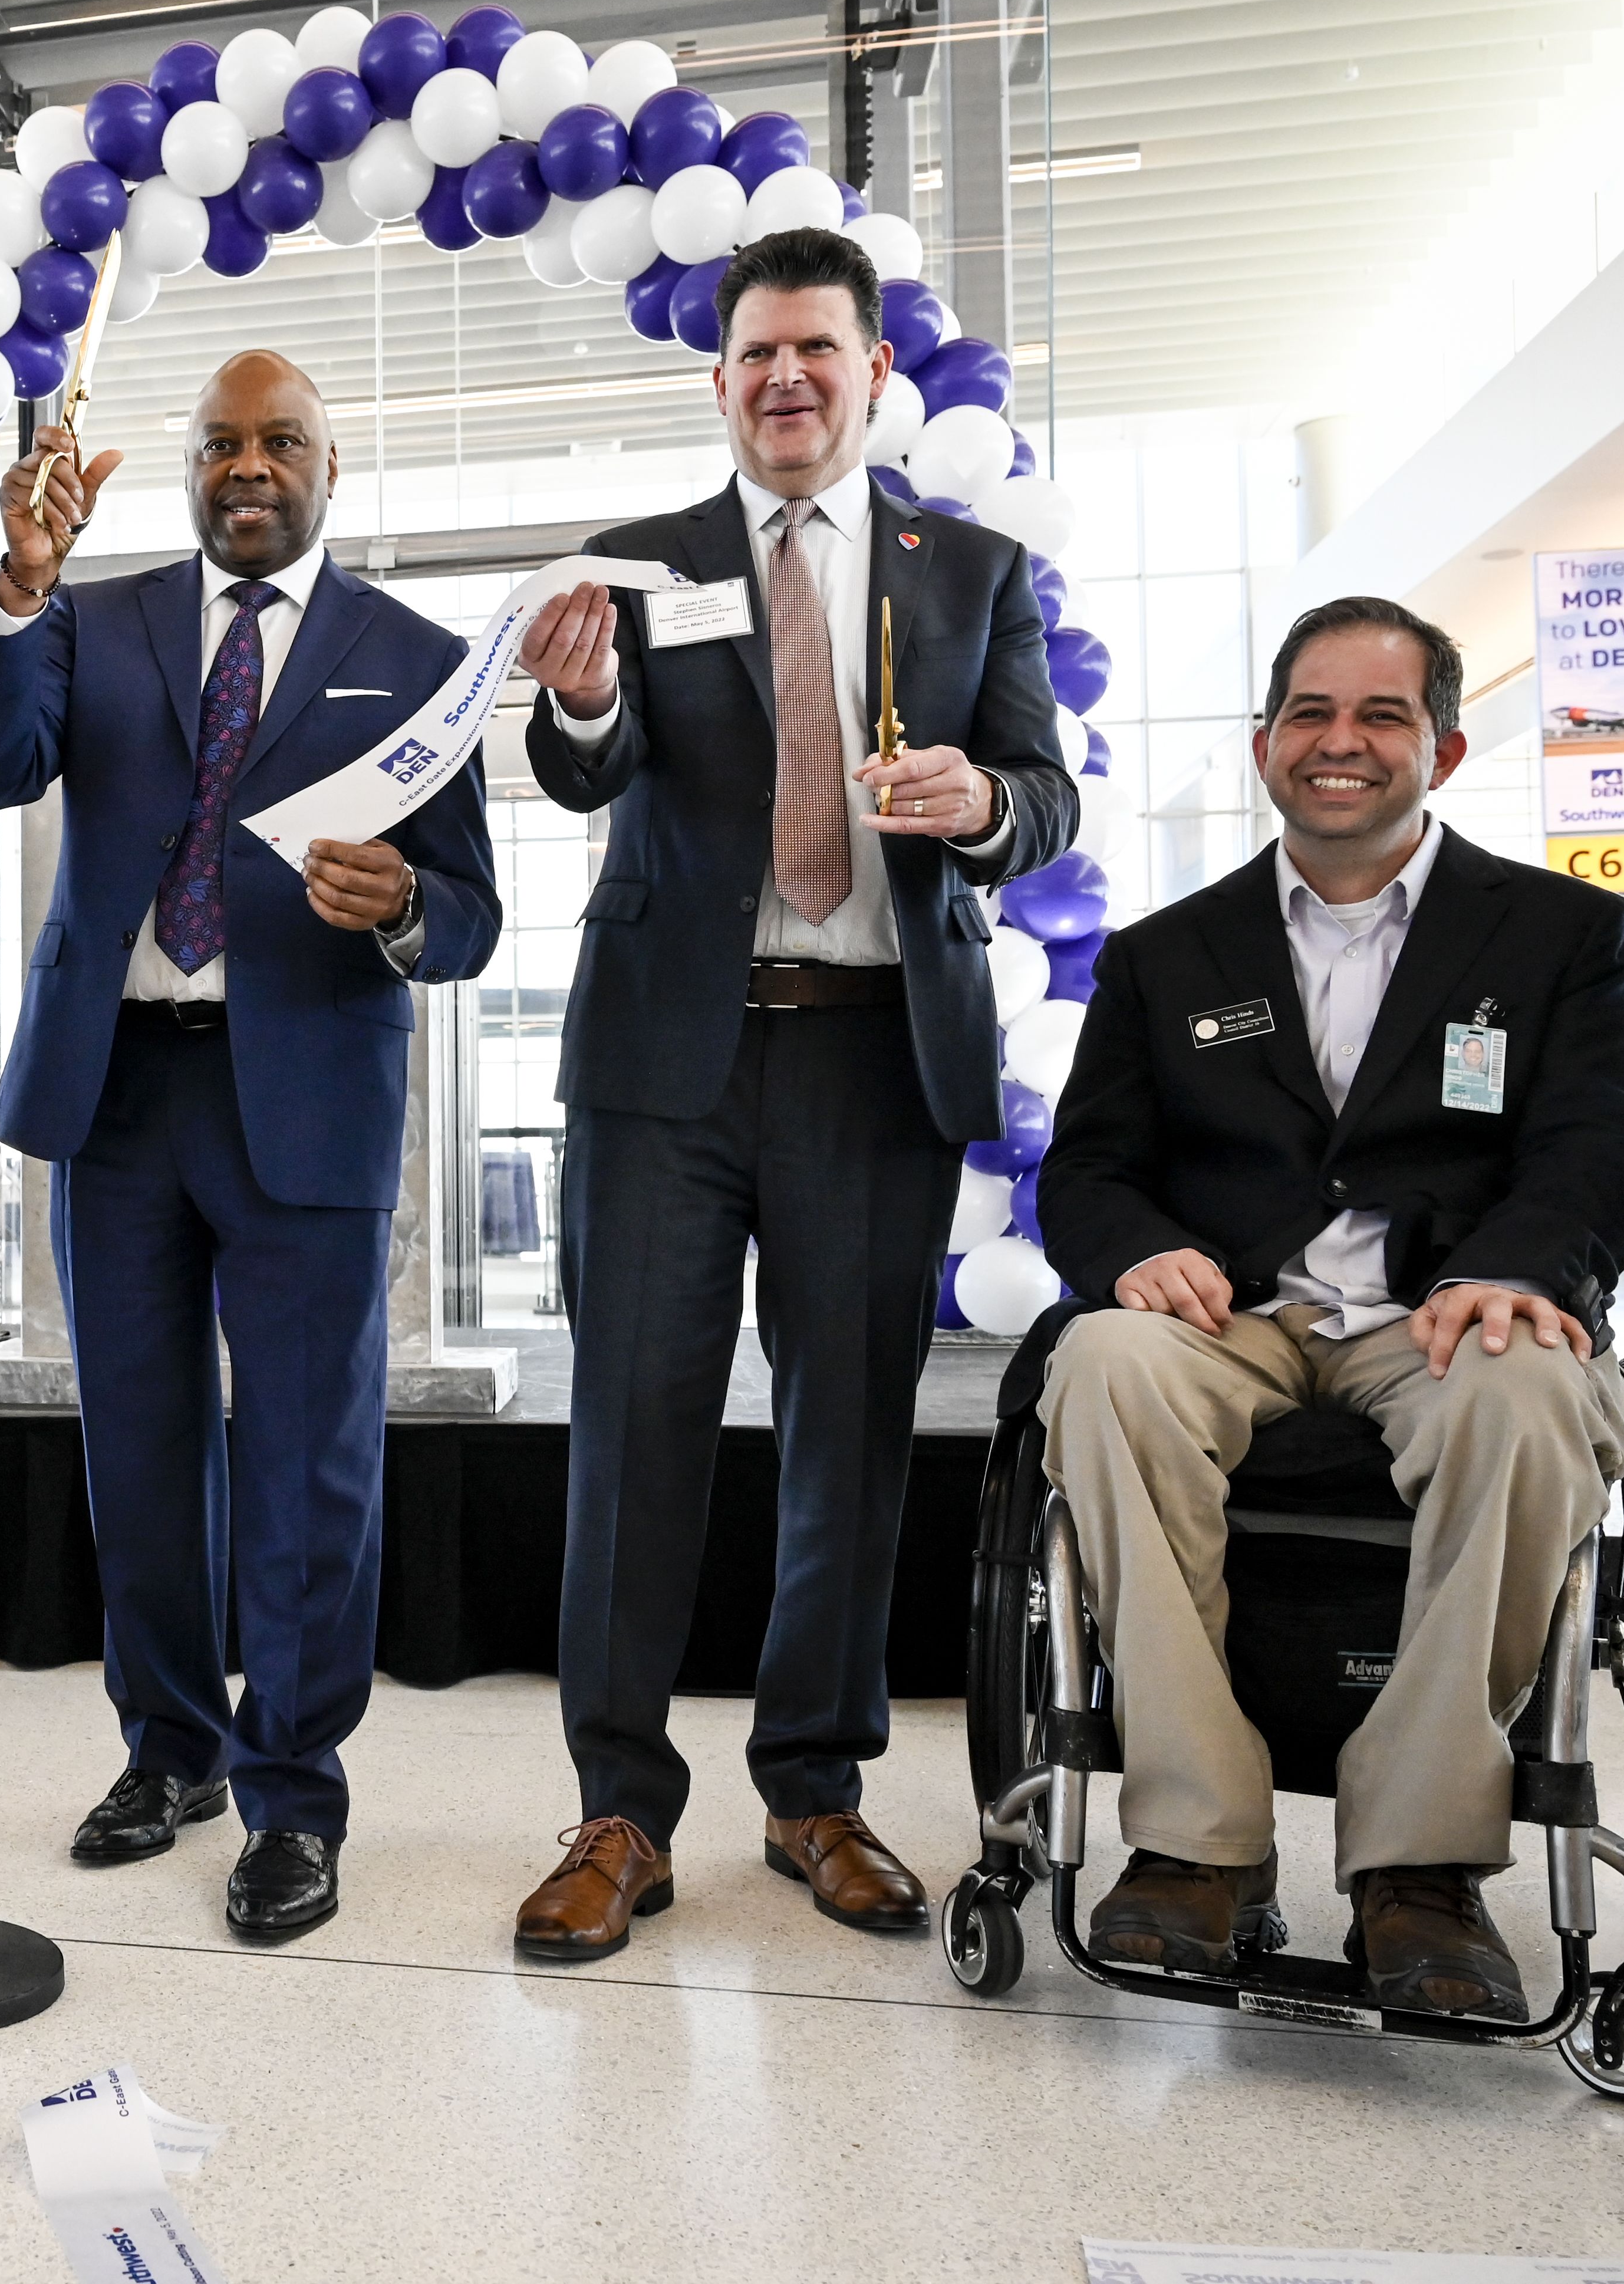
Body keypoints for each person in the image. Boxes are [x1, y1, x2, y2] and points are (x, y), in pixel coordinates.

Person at [505, 229, 1076, 1960]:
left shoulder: (967, 570)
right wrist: (589, 703)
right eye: (754, 355)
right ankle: (616, 1807)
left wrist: (976, 800)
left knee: (847, 1439)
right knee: (632, 1434)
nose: (784, 380)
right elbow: (569, 765)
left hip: (868, 1051)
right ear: (720, 382)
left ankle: (813, 1793)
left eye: (816, 351)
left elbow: (1044, 802)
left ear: (873, 373)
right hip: (662, 1065)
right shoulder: (636, 563)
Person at [1031, 598, 1624, 2021]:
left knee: (1523, 1386)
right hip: (1226, 1314)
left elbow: (1605, 1138)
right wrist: (1132, 1251)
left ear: (1438, 750)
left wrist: (1515, 1268)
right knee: (1098, 1363)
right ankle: (1193, 1843)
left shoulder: (1562, 937)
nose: (1340, 744)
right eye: (1310, 715)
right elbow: (1084, 1168)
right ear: (1262, 746)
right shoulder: (1162, 955)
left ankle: (1419, 1864)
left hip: (1444, 1309)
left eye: (1379, 717)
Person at [0, 351, 503, 1941]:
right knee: (135, 1448)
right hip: (112, 1089)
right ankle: (168, 1745)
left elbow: (468, 911)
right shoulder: (87, 614)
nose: (245, 466)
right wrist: (14, 583)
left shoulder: (416, 657)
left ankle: (292, 1790)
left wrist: (405, 906)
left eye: (279, 442)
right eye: (217, 444)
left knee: (308, 1459)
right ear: (186, 469)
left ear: (333, 463)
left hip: (305, 1102)